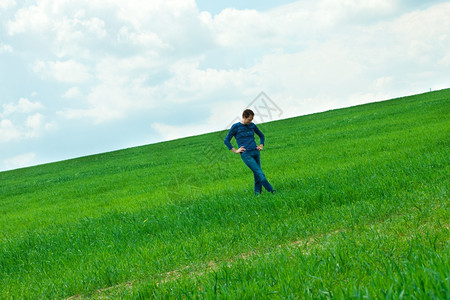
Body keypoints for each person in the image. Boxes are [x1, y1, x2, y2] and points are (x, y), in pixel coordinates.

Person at [224, 109, 275, 195]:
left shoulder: (252, 125)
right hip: (246, 154)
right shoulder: (236, 127)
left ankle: (258, 194)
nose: (250, 121)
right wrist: (236, 151)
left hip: (256, 152)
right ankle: (272, 191)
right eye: (249, 119)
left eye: (252, 119)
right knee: (260, 174)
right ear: (244, 117)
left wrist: (261, 145)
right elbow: (226, 140)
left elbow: (261, 135)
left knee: (257, 174)